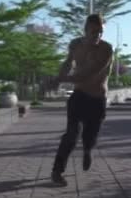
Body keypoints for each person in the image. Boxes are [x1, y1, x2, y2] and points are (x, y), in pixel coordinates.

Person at [47, 14, 113, 186]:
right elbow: (68, 63)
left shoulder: (106, 49)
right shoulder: (75, 44)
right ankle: (57, 171)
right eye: (94, 32)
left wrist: (59, 80)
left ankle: (87, 150)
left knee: (89, 137)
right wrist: (59, 76)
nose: (97, 36)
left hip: (97, 99)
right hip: (79, 96)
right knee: (71, 134)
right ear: (85, 30)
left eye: (100, 32)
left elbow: (89, 74)